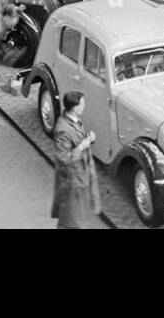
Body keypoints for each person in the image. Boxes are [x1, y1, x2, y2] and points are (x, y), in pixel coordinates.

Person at [51, 91, 102, 229]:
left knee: (76, 222)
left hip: (79, 182)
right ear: (74, 107)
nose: (84, 106)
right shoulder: (62, 129)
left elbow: (77, 139)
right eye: (82, 104)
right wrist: (82, 146)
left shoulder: (74, 121)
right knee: (71, 224)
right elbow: (63, 158)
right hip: (71, 185)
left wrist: (88, 139)